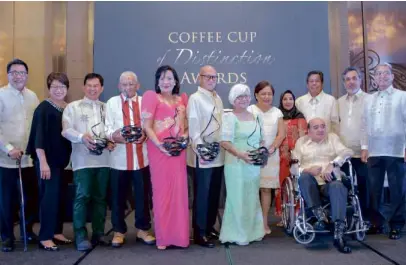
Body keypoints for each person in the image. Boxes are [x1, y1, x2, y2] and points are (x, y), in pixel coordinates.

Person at [62, 73, 113, 251]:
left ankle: (99, 233)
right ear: (84, 87)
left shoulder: (107, 108)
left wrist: (112, 141)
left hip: (105, 161)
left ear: (102, 88)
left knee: (100, 199)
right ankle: (80, 235)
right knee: (82, 197)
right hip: (82, 161)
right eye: (89, 85)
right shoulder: (73, 107)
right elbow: (66, 130)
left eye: (96, 86)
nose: (93, 89)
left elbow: (112, 131)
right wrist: (81, 137)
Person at [105, 71, 155, 248]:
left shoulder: (145, 103)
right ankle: (119, 231)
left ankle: (143, 229)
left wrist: (146, 135)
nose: (128, 87)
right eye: (124, 84)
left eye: (131, 83)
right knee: (118, 197)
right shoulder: (111, 103)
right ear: (119, 86)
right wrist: (114, 136)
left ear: (138, 85)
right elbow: (107, 128)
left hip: (142, 159)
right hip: (119, 159)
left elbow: (152, 126)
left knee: (142, 196)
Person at [142, 65, 189, 250]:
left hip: (178, 152)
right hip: (159, 151)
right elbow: (147, 126)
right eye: (162, 78)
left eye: (169, 78)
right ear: (157, 81)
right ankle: (164, 237)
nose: (166, 82)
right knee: (162, 194)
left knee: (179, 193)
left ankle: (180, 237)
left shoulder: (183, 99)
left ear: (176, 81)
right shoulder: (152, 97)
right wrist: (161, 146)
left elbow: (185, 126)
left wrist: (184, 137)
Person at [291, 118, 353, 253]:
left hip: (329, 182)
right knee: (304, 177)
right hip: (310, 183)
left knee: (338, 185)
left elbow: (347, 152)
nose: (320, 129)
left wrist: (333, 164)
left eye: (323, 126)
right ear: (308, 131)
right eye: (316, 127)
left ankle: (338, 233)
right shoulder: (301, 143)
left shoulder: (332, 138)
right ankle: (320, 216)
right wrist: (307, 170)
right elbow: (294, 168)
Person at [26, 72, 72, 251]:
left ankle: (56, 231)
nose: (59, 90)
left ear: (67, 88)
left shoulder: (68, 108)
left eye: (62, 86)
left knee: (60, 198)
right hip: (47, 163)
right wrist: (43, 162)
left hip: (63, 162)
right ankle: (45, 236)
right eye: (55, 87)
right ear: (49, 88)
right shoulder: (43, 108)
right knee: (48, 199)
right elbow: (39, 138)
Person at [361, 63, 406, 240]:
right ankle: (376, 223)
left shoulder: (402, 97)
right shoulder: (369, 99)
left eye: (385, 73)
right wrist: (364, 147)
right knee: (374, 190)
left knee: (397, 190)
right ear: (374, 78)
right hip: (374, 150)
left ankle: (396, 224)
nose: (382, 76)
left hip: (396, 150)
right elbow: (364, 125)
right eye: (378, 74)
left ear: (392, 76)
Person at [0, 58, 39, 252]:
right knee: (7, 200)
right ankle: (6, 236)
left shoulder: (32, 96)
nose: (18, 76)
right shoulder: (1, 95)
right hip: (6, 159)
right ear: (8, 75)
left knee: (30, 198)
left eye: (22, 73)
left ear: (27, 76)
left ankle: (27, 230)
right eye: (14, 73)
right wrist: (8, 148)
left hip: (29, 159)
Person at [219, 83, 265, 246]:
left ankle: (254, 231)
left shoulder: (256, 116)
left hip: (253, 164)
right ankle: (237, 234)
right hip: (236, 163)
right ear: (232, 100)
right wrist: (240, 154)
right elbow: (224, 142)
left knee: (251, 197)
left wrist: (260, 152)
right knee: (237, 197)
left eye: (246, 96)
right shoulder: (229, 117)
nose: (243, 99)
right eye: (239, 97)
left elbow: (261, 139)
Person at [187, 65, 224, 248]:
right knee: (202, 195)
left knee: (214, 194)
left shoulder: (217, 98)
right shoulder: (195, 98)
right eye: (207, 76)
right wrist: (201, 150)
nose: (211, 80)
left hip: (218, 153)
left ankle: (209, 227)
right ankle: (199, 233)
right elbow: (193, 127)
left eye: (214, 77)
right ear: (199, 78)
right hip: (202, 155)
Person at [247, 81, 285, 234]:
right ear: (256, 95)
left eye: (269, 94)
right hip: (252, 155)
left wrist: (273, 147)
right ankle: (250, 223)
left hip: (270, 155)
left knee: (265, 189)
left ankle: (264, 222)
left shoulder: (277, 112)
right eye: (263, 93)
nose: (266, 96)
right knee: (251, 189)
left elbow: (281, 134)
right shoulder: (250, 110)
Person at [338, 67, 370, 216]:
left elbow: (370, 126)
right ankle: (349, 219)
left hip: (363, 153)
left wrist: (366, 146)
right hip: (344, 153)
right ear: (344, 83)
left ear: (360, 80)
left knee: (366, 187)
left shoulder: (369, 100)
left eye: (354, 78)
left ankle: (368, 219)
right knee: (344, 187)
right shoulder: (339, 102)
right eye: (347, 79)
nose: (351, 82)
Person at [274, 90, 307, 221]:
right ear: (281, 101)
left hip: (296, 157)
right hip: (280, 157)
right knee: (281, 185)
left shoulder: (300, 117)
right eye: (285, 99)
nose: (288, 101)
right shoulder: (277, 117)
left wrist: (298, 153)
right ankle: (284, 217)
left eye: (290, 99)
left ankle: (298, 215)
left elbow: (303, 138)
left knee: (296, 185)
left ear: (294, 101)